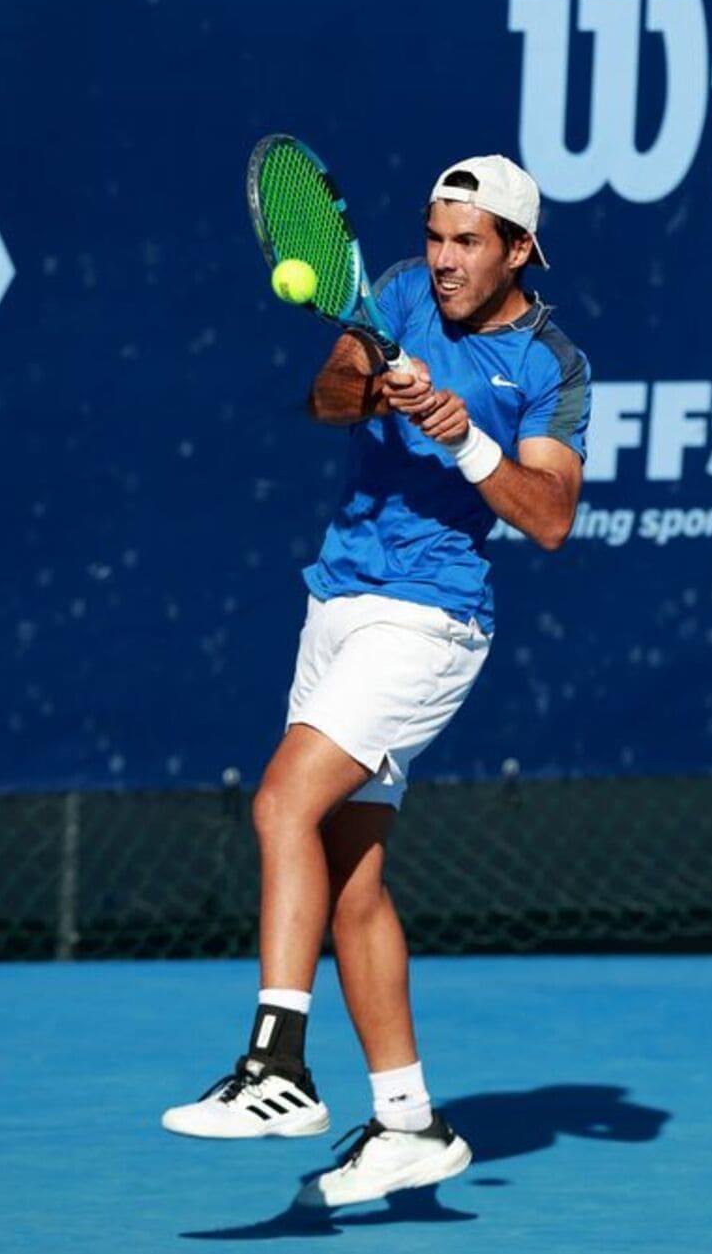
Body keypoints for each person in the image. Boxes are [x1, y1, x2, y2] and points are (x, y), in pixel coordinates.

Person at [161, 154, 591, 1209]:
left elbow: (550, 518)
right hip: (340, 601)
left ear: (519, 250)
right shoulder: (393, 291)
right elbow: (324, 399)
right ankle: (409, 1125)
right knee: (351, 882)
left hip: (430, 620)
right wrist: (373, 382)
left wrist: (467, 438)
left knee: (280, 803)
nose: (444, 260)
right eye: (437, 236)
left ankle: (278, 1066)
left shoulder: (552, 362)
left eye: (468, 242)